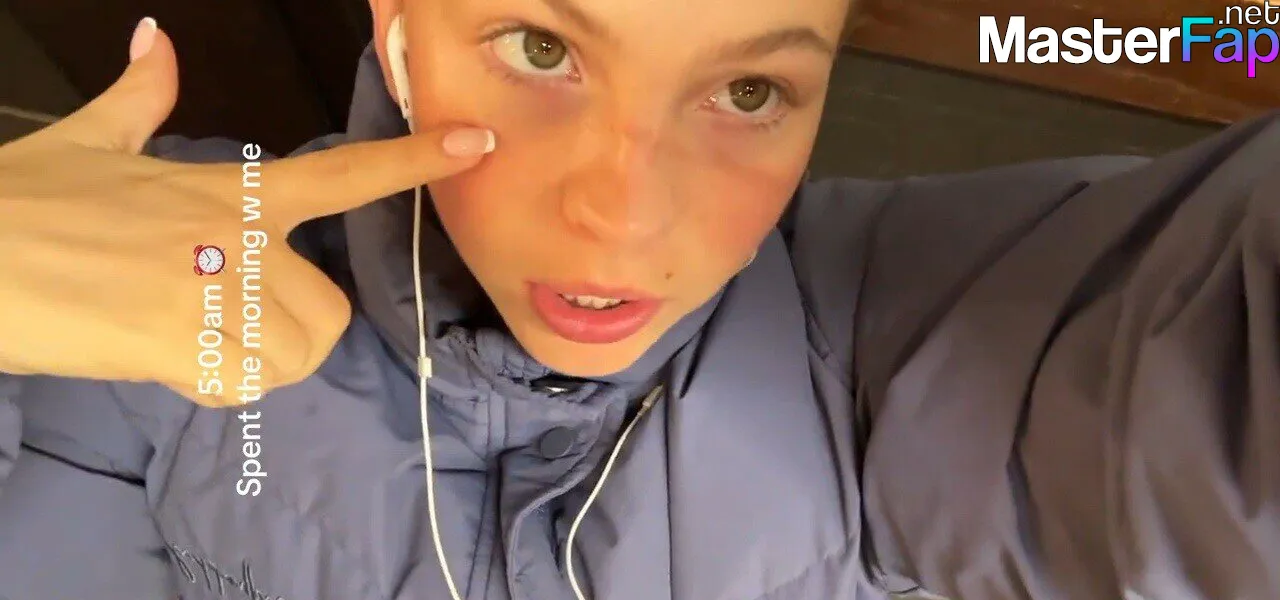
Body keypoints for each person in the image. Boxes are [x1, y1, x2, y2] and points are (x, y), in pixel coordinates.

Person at [0, 0, 1276, 598]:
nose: (624, 223)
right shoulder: (151, 301)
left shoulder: (886, 340)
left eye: (748, 93)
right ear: (397, 30)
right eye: (541, 50)